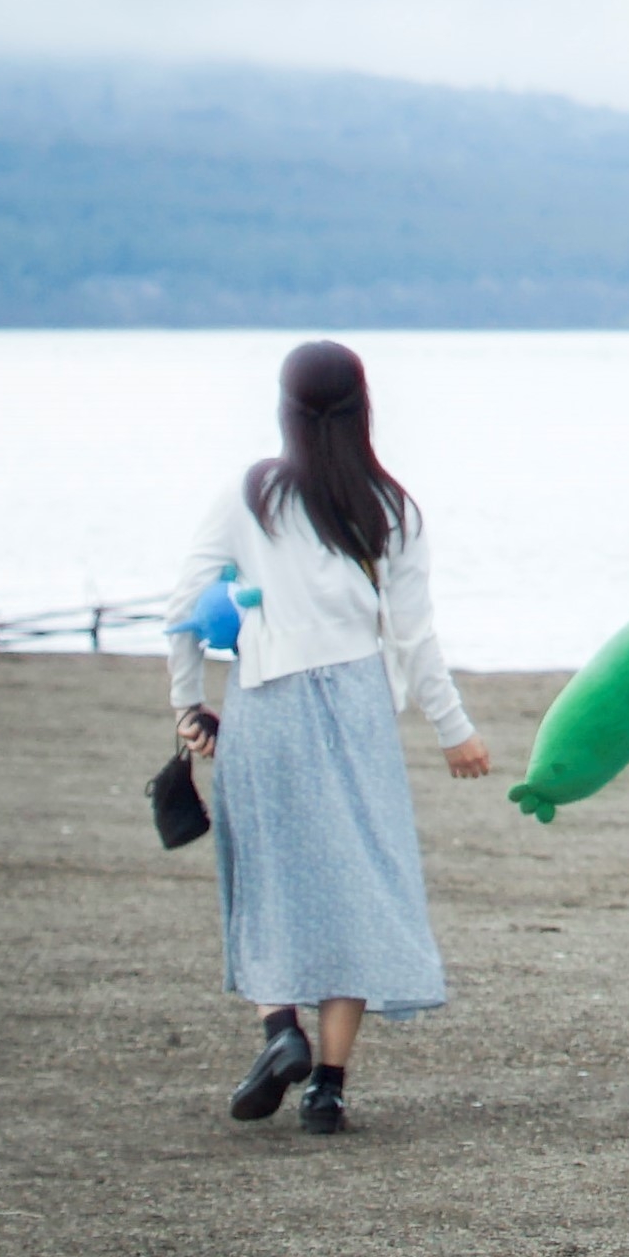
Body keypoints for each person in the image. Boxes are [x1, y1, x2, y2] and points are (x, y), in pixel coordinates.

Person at [163, 341, 490, 1136]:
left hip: (267, 701)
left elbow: (181, 603)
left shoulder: (255, 495)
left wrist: (188, 706)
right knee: (356, 880)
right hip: (355, 708)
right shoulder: (392, 507)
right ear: (362, 406)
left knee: (265, 872)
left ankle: (282, 1033)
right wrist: (455, 732)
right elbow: (413, 639)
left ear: (285, 407)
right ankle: (329, 1088)